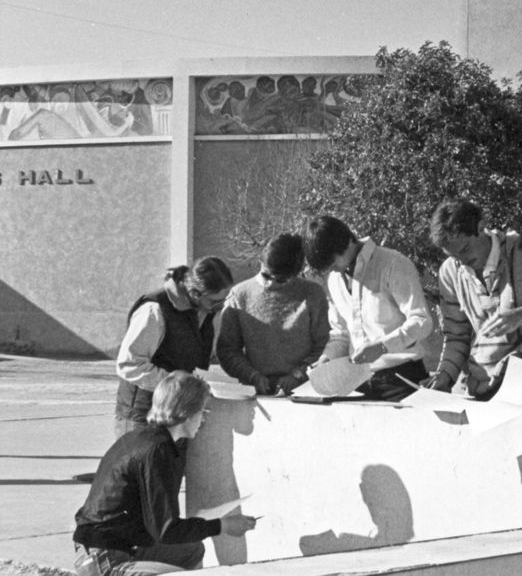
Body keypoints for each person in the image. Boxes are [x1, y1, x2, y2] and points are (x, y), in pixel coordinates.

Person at [73, 371, 257, 576]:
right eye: (202, 412)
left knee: (191, 549)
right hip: (104, 558)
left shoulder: (146, 438)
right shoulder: (157, 451)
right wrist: (223, 525)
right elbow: (166, 530)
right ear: (187, 413)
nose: (203, 420)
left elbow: (159, 527)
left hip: (113, 546)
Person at [425, 199, 522, 399]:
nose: (462, 261)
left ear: (481, 226)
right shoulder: (449, 272)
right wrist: (444, 376)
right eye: (455, 257)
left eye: (465, 250)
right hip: (481, 391)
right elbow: (457, 336)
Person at [303, 215, 433, 401]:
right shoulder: (334, 280)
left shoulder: (393, 263)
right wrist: (327, 359)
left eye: (333, 264)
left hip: (401, 380)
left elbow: (422, 321)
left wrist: (382, 346)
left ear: (345, 243)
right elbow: (341, 333)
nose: (333, 271)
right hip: (357, 383)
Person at [115, 257, 234, 438]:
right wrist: (178, 386)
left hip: (178, 412)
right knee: (145, 464)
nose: (219, 307)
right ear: (195, 293)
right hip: (144, 413)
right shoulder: (154, 310)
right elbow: (129, 365)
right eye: (215, 302)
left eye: (223, 301)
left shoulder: (204, 311)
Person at [217, 234, 330, 395]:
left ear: (296, 274)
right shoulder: (239, 295)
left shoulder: (313, 294)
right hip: (256, 392)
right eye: (266, 275)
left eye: (280, 281)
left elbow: (326, 345)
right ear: (260, 262)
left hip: (307, 391)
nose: (270, 283)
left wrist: (299, 374)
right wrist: (252, 376)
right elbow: (227, 349)